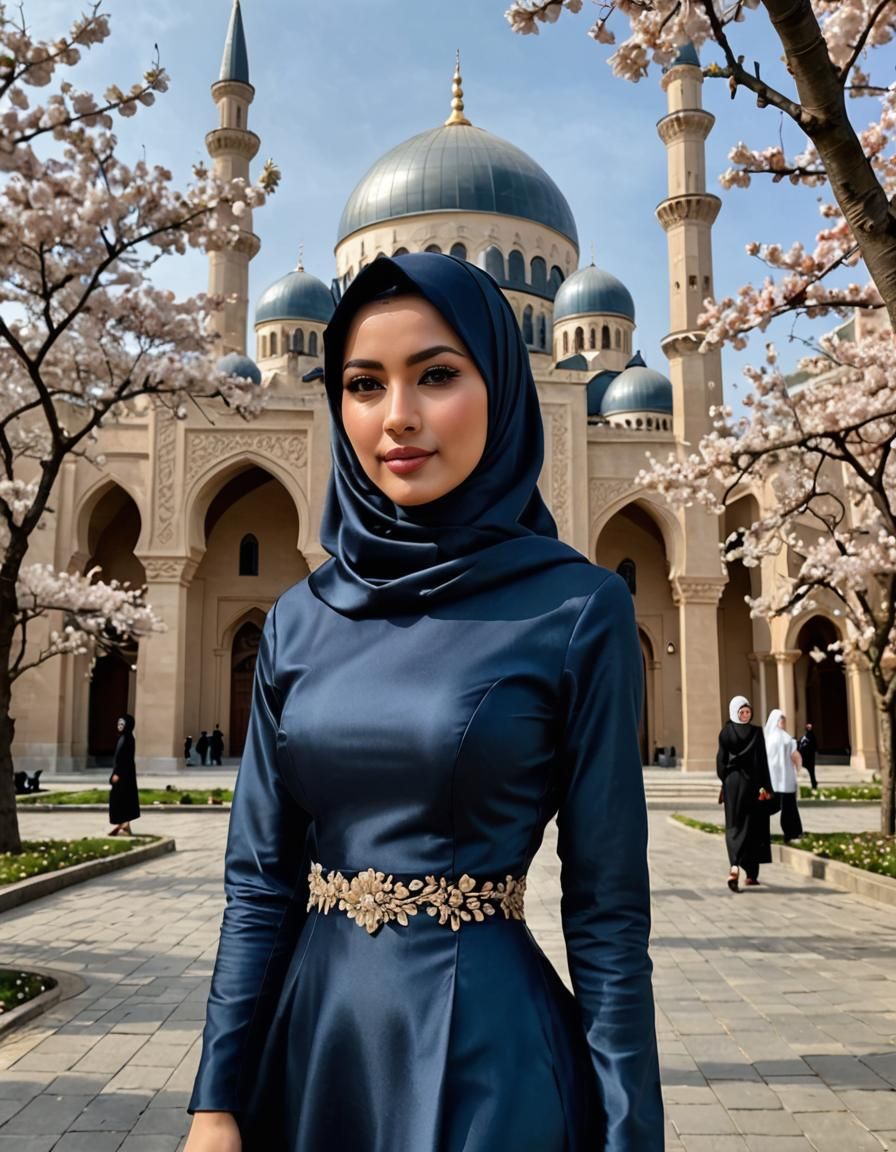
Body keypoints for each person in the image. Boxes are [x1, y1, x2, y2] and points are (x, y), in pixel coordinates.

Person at [184, 253, 663, 1151]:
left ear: (504, 382)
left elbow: (606, 914)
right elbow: (258, 885)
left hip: (487, 1063)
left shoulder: (573, 608)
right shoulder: (301, 618)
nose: (396, 417)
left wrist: (633, 1134)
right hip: (312, 1054)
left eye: (436, 375)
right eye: (364, 384)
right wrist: (217, 1099)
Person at [717, 696, 774, 891]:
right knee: (752, 825)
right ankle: (751, 873)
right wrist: (766, 787)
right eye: (743, 712)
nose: (745, 715)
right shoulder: (757, 733)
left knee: (734, 825)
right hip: (752, 784)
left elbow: (721, 762)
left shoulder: (726, 733)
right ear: (736, 712)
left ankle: (734, 865)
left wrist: (724, 781)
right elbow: (762, 762)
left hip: (732, 784)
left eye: (747, 712)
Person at [764, 709, 803, 842]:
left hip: (777, 781)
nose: (783, 722)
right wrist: (799, 770)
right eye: (781, 720)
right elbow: (795, 756)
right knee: (787, 808)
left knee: (773, 807)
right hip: (783, 781)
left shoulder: (770, 738)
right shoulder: (785, 738)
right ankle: (792, 832)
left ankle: (791, 832)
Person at [109, 714, 139, 836]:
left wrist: (117, 773)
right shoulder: (124, 738)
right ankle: (122, 824)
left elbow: (124, 759)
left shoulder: (127, 739)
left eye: (122, 724)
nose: (119, 726)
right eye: (118, 724)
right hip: (123, 775)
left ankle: (125, 825)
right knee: (119, 799)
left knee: (122, 798)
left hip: (123, 776)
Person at [798, 722, 818, 789]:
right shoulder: (804, 737)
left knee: (812, 772)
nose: (809, 728)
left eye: (810, 727)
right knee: (811, 772)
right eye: (808, 727)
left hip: (810, 757)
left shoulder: (812, 736)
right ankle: (814, 783)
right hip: (804, 757)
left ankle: (814, 784)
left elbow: (814, 746)